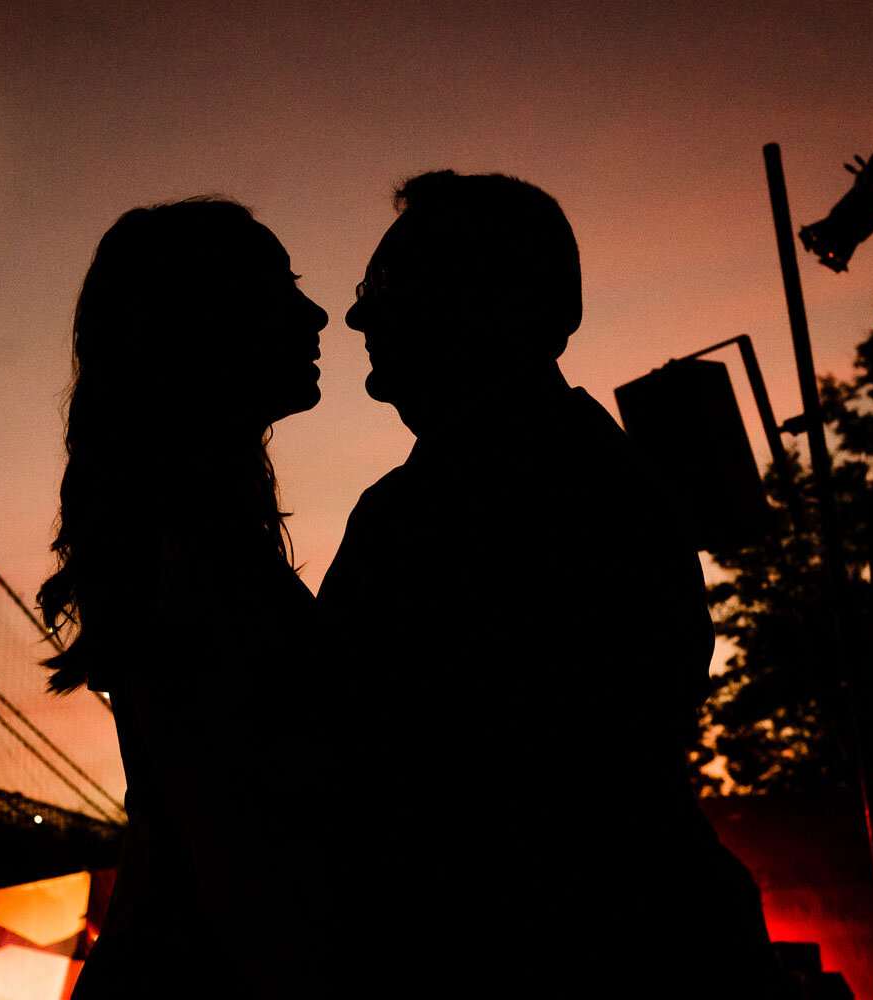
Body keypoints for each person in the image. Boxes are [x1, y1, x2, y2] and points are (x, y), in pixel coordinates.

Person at [319, 170, 777, 995]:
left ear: (480, 300)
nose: (356, 314)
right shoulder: (576, 471)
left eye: (383, 284)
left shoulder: (462, 501)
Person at [38, 199, 332, 998]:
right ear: (205, 322)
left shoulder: (180, 534)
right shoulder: (194, 553)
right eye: (281, 290)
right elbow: (236, 846)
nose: (318, 313)